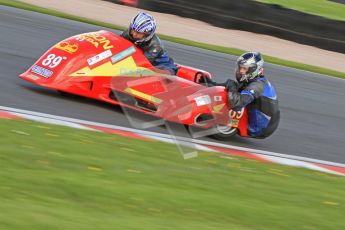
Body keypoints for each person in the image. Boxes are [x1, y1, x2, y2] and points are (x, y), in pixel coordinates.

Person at [202, 52, 280, 138]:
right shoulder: (253, 80)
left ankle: (216, 118)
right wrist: (210, 84)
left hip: (260, 128)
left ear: (254, 69)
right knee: (231, 89)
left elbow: (236, 104)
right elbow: (233, 89)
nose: (241, 71)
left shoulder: (257, 86)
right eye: (240, 68)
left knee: (231, 95)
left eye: (244, 69)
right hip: (256, 116)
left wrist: (231, 85)